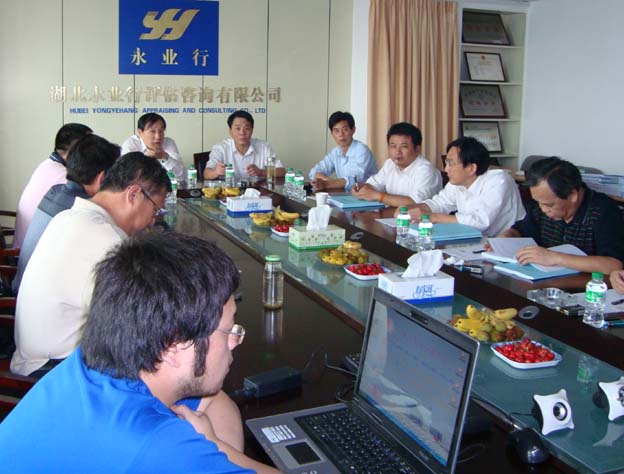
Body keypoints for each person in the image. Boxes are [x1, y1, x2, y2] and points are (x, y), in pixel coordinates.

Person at [0, 232, 278, 473]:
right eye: (228, 331)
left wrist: (209, 455)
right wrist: (212, 448)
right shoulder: (157, 445)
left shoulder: (94, 362)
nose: (235, 341)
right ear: (174, 346)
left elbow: (215, 399)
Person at [11, 152, 171, 376]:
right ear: (134, 194)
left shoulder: (68, 216)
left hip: (32, 356)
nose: (152, 221)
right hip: (54, 370)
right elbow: (135, 320)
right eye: (154, 210)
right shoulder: (107, 239)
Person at [13, 134, 120, 292]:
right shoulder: (81, 208)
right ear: (102, 178)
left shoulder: (56, 191)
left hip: (22, 287)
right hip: (31, 294)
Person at [497, 157, 624, 274]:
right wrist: (506, 237)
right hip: (545, 278)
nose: (543, 209)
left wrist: (554, 257)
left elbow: (614, 264)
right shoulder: (542, 205)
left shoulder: (604, 211)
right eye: (538, 202)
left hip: (588, 286)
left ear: (572, 195)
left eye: (549, 205)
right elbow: (520, 230)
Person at [403, 137, 525, 237]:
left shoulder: (499, 180)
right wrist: (412, 208)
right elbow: (440, 203)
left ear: (471, 168)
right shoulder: (458, 181)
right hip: (474, 239)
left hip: (505, 242)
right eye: (446, 163)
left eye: (451, 163)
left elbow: (480, 221)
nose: (446, 169)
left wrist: (434, 217)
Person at [13, 123, 92, 248]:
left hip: (22, 249)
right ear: (74, 149)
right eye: (89, 146)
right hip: (29, 255)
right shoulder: (65, 176)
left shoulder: (47, 165)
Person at [351, 122, 442, 207]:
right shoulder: (390, 164)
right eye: (393, 146)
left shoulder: (426, 170)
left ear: (417, 149)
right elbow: (375, 184)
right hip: (392, 215)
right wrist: (363, 188)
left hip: (419, 218)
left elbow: (416, 202)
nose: (397, 151)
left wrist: (379, 196)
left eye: (404, 146)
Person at [204, 110, 284, 182]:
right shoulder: (220, 149)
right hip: (230, 191)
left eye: (247, 128)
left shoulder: (264, 147)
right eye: (238, 128)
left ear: (252, 130)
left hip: (258, 191)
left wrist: (261, 172)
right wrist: (216, 172)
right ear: (230, 131)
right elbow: (206, 173)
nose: (242, 133)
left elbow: (282, 171)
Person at [309, 111, 377, 191]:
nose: (341, 134)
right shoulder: (335, 152)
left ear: (353, 130)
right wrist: (328, 182)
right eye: (336, 131)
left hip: (367, 194)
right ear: (332, 133)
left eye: (345, 129)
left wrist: (327, 184)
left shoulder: (362, 150)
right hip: (345, 194)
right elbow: (314, 172)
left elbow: (354, 180)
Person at [121, 112, 185, 181]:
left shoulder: (168, 143)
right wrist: (146, 158)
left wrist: (165, 157)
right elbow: (127, 175)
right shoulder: (131, 144)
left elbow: (181, 176)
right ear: (140, 132)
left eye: (161, 131)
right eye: (152, 132)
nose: (158, 137)